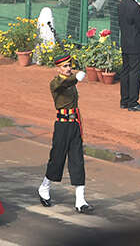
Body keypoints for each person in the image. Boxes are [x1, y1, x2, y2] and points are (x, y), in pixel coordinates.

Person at [38, 53, 93, 214]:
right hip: (62, 126)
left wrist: (75, 79)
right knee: (57, 159)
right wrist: (76, 78)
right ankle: (44, 187)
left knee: (77, 159)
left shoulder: (72, 82)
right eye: (65, 66)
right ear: (58, 68)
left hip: (75, 124)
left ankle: (80, 200)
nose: (68, 68)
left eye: (70, 65)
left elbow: (70, 86)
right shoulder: (55, 82)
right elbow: (63, 85)